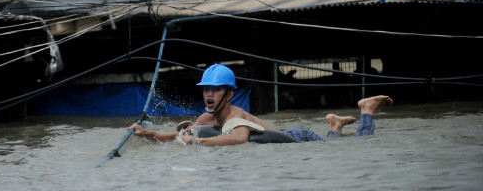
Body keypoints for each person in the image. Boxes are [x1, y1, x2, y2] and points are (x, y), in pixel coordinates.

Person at [129, 64, 393, 146]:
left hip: (298, 137)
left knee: (359, 146)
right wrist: (149, 134)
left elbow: (240, 138)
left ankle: (366, 109)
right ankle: (334, 125)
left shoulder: (235, 115)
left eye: (215, 90)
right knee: (334, 146)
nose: (209, 95)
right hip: (289, 135)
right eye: (205, 90)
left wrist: (200, 143)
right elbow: (180, 136)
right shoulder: (206, 119)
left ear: (229, 93)